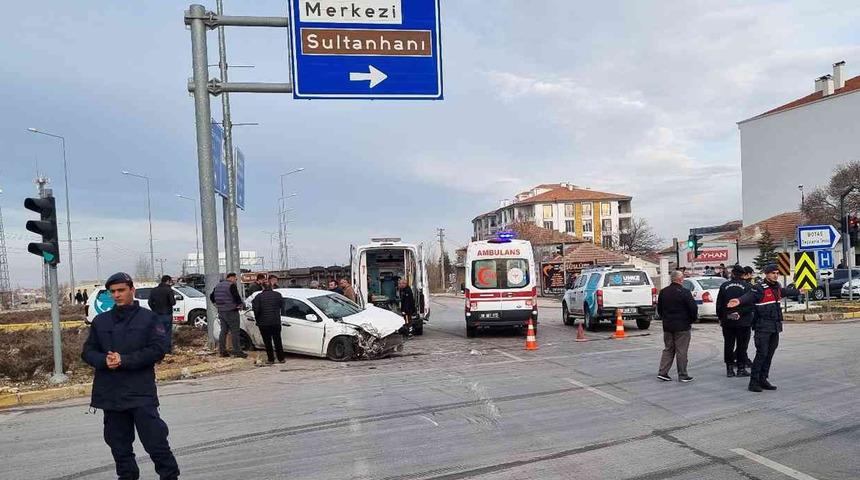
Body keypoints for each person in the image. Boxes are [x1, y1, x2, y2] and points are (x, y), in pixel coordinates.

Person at [81, 272, 180, 480]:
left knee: (156, 443)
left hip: (140, 393)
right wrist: (104, 361)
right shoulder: (101, 321)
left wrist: (124, 360)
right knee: (119, 448)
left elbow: (157, 349)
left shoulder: (149, 319)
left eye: (121, 290)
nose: (117, 295)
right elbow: (88, 352)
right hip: (111, 395)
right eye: (113, 292)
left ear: (131, 290)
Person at [727, 263, 798, 392]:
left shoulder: (777, 287)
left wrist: (799, 291)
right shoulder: (759, 288)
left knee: (769, 355)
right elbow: (749, 296)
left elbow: (786, 292)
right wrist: (739, 300)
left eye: (777, 273)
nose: (776, 275)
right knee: (762, 354)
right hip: (762, 327)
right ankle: (753, 382)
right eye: (773, 273)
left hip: (775, 327)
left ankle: (763, 379)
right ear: (766, 274)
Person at [656, 270, 697, 383]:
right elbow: (693, 309)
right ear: (680, 279)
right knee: (681, 350)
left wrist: (665, 319)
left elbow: (659, 309)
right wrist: (691, 320)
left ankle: (663, 372)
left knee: (668, 349)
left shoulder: (663, 292)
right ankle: (683, 374)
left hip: (668, 326)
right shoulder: (685, 292)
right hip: (682, 326)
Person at [716, 265, 753, 378]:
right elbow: (751, 305)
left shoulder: (724, 286)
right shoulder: (747, 286)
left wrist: (722, 317)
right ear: (742, 275)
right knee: (742, 345)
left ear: (732, 273)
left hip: (728, 321)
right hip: (743, 321)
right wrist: (740, 314)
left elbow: (719, 305)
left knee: (728, 344)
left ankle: (729, 369)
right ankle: (741, 369)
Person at [209, 273, 247, 358]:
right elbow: (236, 297)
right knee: (235, 332)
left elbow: (211, 297)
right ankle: (237, 351)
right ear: (231, 278)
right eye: (235, 279)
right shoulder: (231, 285)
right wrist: (240, 305)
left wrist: (217, 305)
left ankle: (222, 351)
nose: (236, 280)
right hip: (231, 311)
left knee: (223, 331)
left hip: (221, 312)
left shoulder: (218, 286)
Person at [252, 282, 286, 365]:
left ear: (262, 287)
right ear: (272, 287)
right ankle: (281, 358)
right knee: (277, 340)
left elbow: (256, 310)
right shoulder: (278, 295)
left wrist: (257, 320)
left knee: (267, 342)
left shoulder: (258, 297)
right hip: (275, 321)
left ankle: (271, 359)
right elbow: (283, 306)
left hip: (263, 323)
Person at [148, 275, 177, 353]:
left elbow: (150, 302)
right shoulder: (168, 290)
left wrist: (154, 310)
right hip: (167, 314)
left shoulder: (154, 290)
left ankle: (158, 350)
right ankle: (167, 350)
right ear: (167, 281)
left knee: (158, 333)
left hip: (156, 315)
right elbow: (173, 302)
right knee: (167, 333)